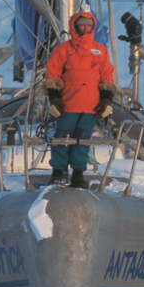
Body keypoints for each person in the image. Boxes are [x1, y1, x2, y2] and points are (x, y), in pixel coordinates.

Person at [44, 11, 117, 188]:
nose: (85, 28)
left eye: (88, 25)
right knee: (62, 138)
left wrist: (106, 101)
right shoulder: (62, 50)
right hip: (67, 105)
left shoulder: (101, 51)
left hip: (91, 106)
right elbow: (53, 74)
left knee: (83, 140)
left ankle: (78, 174)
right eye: (81, 24)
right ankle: (58, 173)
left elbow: (107, 77)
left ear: (93, 26)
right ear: (74, 26)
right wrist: (54, 99)